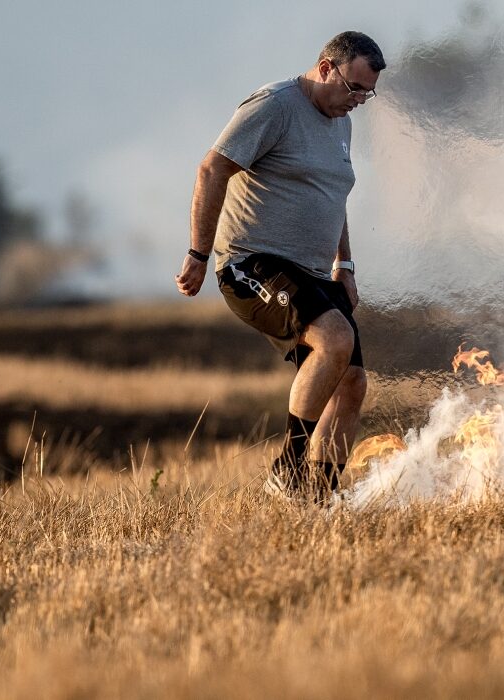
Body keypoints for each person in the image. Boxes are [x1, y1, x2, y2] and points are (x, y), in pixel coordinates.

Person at [174, 31, 385, 502]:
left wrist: (344, 264)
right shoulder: (275, 105)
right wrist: (198, 254)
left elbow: (331, 197)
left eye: (367, 94)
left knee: (351, 383)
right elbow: (212, 169)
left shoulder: (340, 120)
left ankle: (316, 501)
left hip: (312, 272)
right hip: (253, 263)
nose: (358, 101)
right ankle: (288, 470)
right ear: (326, 67)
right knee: (335, 339)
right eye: (354, 88)